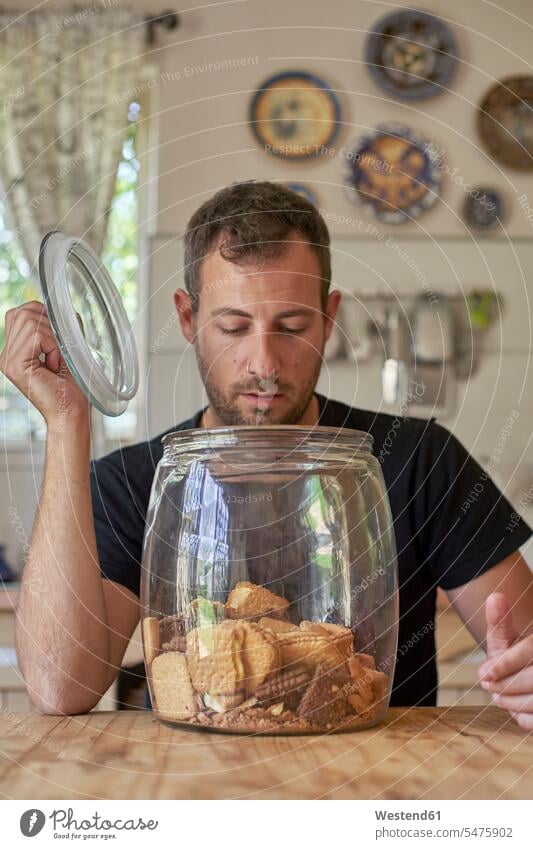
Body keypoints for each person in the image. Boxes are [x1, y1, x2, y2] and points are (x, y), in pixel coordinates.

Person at [2, 181, 533, 724]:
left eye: (292, 326)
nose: (264, 363)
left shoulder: (419, 459)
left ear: (329, 318)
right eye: (233, 326)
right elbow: (59, 685)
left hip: (380, 788)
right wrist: (66, 422)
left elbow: (524, 638)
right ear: (187, 318)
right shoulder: (136, 482)